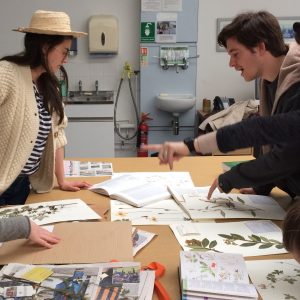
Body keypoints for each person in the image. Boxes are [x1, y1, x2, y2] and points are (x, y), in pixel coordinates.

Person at [144, 11, 300, 200]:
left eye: (235, 54)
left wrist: (232, 178)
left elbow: (284, 157)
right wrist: (261, 188)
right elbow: (266, 136)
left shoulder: (296, 83)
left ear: (260, 47)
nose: (231, 63)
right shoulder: (269, 80)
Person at [0, 10, 91, 205]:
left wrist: (62, 180)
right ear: (44, 47)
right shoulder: (6, 74)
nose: (66, 59)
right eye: (64, 51)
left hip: (24, 187)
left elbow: (57, 135)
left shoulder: (48, 85)